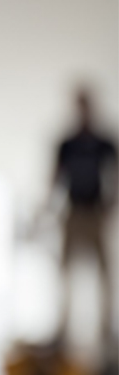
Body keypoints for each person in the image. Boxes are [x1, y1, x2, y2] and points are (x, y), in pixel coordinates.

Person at [51, 86, 117, 357]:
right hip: (73, 212)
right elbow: (55, 176)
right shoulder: (66, 144)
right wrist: (51, 209)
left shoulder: (104, 143)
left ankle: (106, 332)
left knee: (104, 274)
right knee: (64, 271)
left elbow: (114, 174)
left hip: (95, 213)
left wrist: (111, 206)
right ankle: (62, 329)